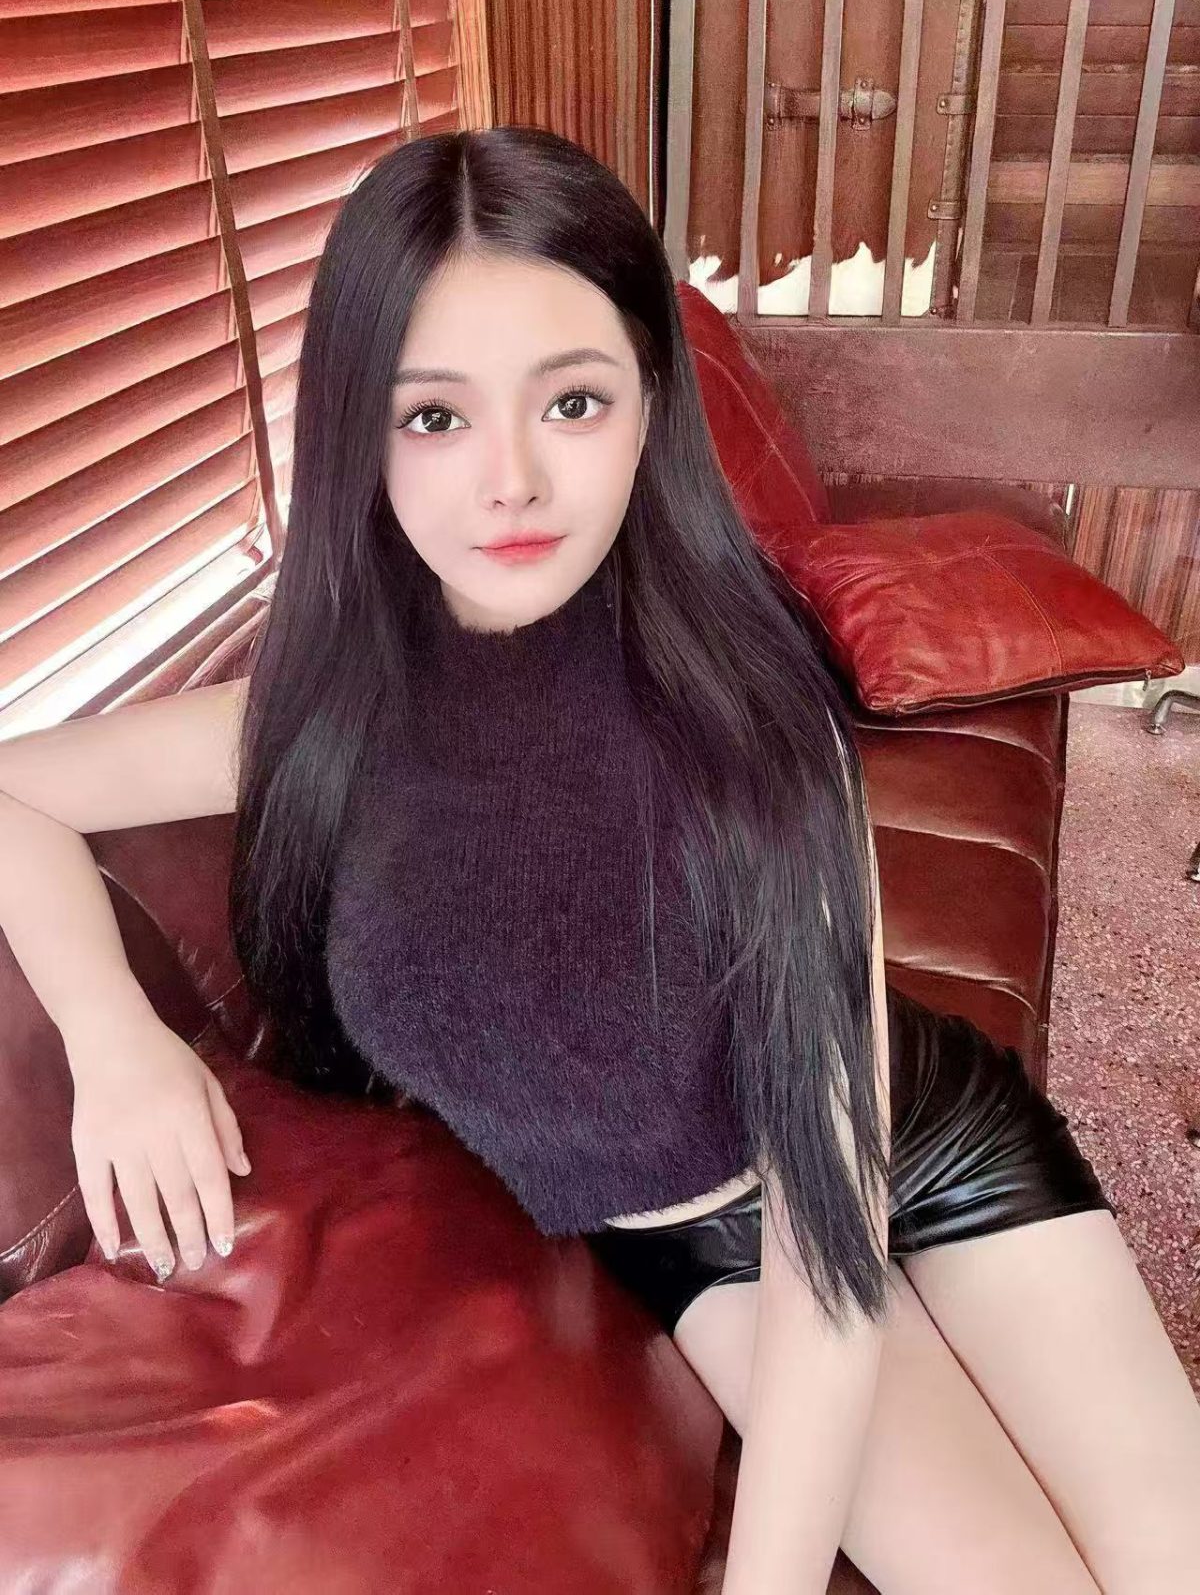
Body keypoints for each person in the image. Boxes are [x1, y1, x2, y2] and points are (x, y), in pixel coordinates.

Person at [0, 125, 1196, 1595]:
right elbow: (13, 793)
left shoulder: (753, 712)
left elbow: (830, 1216)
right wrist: (116, 1042)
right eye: (434, 416)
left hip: (920, 1139)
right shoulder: (321, 723)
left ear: (647, 406)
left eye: (570, 401)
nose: (509, 480)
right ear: (358, 432)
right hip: (716, 1255)